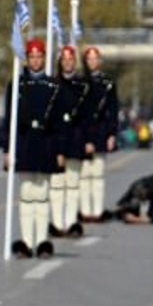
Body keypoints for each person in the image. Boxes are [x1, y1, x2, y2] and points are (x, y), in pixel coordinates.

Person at [4, 39, 60, 259]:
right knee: (27, 193)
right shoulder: (17, 85)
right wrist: (7, 149)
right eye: (32, 57)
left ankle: (41, 241)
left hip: (46, 144)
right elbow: (9, 120)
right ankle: (26, 242)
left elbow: (58, 123)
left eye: (39, 57)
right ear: (26, 59)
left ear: (44, 58)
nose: (35, 61)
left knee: (42, 193)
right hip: (25, 143)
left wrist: (59, 150)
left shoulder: (53, 86)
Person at [49, 46, 89, 238]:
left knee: (73, 184)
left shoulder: (83, 86)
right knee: (57, 185)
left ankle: (71, 221)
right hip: (57, 141)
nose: (67, 63)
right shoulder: (53, 85)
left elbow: (87, 117)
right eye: (64, 59)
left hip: (75, 140)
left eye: (70, 59)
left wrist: (88, 140)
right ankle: (57, 223)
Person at [79, 46, 118, 223]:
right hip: (83, 132)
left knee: (98, 173)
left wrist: (112, 134)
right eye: (89, 59)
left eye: (95, 58)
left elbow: (113, 109)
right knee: (85, 174)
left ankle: (97, 210)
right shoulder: (80, 82)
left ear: (100, 61)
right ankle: (85, 210)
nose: (92, 62)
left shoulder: (108, 82)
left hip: (101, 131)